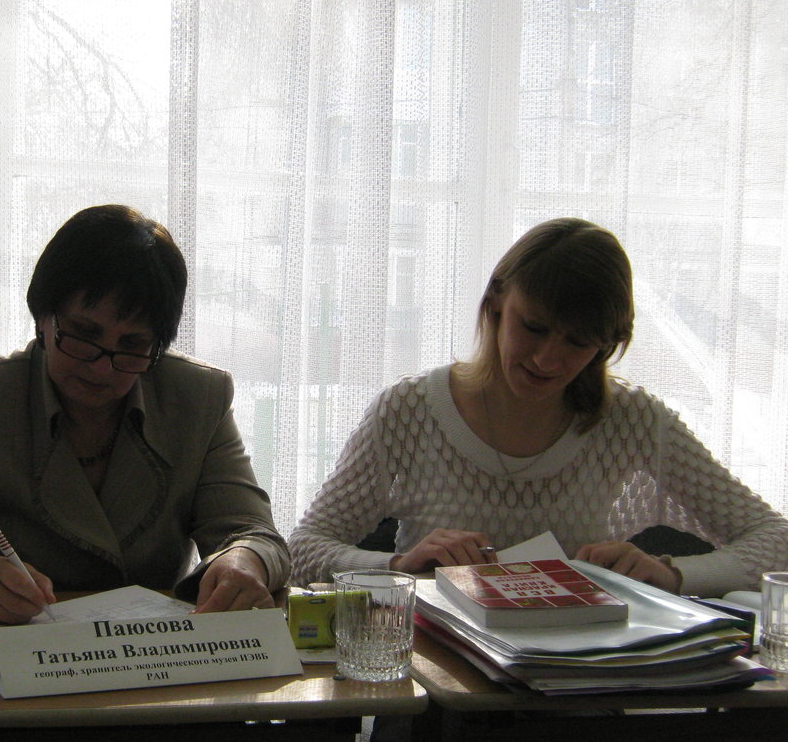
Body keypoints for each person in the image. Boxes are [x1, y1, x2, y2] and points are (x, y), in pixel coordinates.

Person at [290, 217, 788, 595]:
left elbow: (775, 539)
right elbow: (304, 548)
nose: (549, 359)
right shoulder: (409, 410)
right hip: (438, 674)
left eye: (579, 342)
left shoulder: (633, 419)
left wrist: (672, 574)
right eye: (534, 327)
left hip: (577, 673)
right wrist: (399, 567)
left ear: (605, 345)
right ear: (496, 304)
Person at [0, 204, 289, 623]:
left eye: (133, 345)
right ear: (43, 318)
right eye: (83, 333)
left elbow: (255, 534)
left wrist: (242, 562)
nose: (102, 368)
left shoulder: (197, 397)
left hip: (153, 657)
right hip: (18, 651)